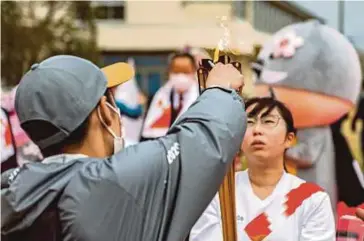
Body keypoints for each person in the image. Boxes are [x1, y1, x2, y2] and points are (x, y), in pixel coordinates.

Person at [1, 55, 246, 241]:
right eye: (111, 99)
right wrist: (221, 90)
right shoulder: (111, 182)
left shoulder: (14, 187)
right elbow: (201, 142)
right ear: (103, 111)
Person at [190, 97, 335, 241]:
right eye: (249, 123)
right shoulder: (217, 193)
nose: (257, 130)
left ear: (289, 139)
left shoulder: (313, 199)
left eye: (268, 122)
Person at [140, 52, 199, 141]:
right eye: (176, 71)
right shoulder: (161, 95)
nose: (180, 76)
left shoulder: (202, 95)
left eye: (185, 71)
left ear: (194, 71)